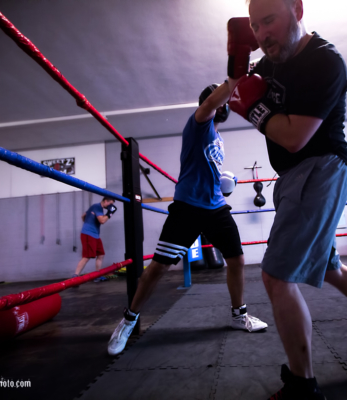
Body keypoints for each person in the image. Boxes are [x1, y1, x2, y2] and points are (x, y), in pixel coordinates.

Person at [226, 0, 347, 398]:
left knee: (276, 275)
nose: (262, 34)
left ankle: (302, 385)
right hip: (299, 177)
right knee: (330, 267)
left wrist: (254, 109)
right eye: (254, 26)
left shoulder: (324, 61)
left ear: (296, 10)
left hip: (318, 167)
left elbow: (295, 136)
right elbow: (234, 90)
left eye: (270, 21)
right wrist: (238, 57)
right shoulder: (269, 61)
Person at [107, 83, 268, 357]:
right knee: (158, 268)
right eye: (221, 101)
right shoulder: (198, 124)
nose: (226, 105)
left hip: (216, 207)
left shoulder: (218, 137)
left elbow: (208, 170)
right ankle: (128, 320)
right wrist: (238, 78)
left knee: (237, 261)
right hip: (188, 208)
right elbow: (209, 105)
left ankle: (238, 315)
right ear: (210, 103)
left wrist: (224, 183)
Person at [72, 196, 117, 283]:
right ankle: (75, 277)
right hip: (88, 234)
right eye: (110, 204)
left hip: (95, 235)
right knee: (86, 257)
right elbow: (102, 221)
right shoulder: (97, 207)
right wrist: (110, 213)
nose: (111, 206)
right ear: (105, 201)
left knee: (101, 254)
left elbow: (83, 216)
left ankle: (97, 276)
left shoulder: (96, 207)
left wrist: (88, 222)